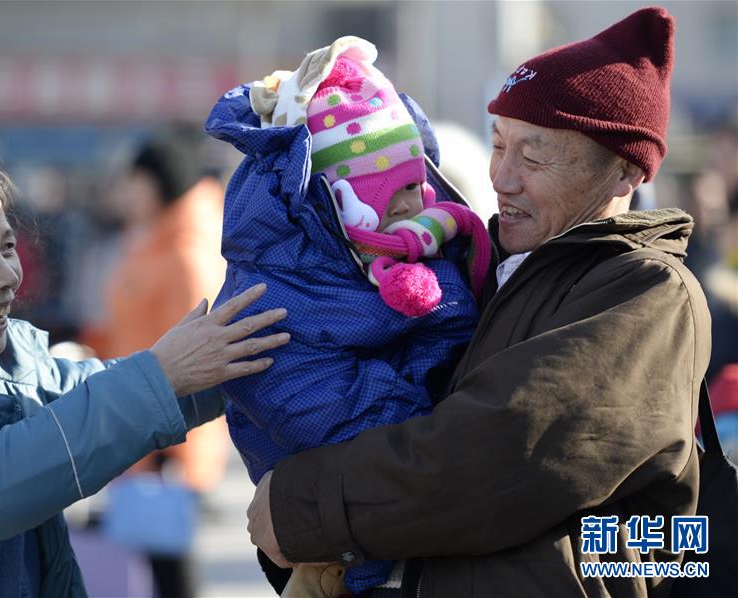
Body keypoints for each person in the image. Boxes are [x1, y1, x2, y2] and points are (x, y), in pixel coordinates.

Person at [245, 8, 713, 597]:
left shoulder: (647, 291)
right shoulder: (476, 264)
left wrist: (301, 508)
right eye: (499, 145)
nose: (501, 177)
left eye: (535, 156)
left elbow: (503, 450)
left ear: (623, 173)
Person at [0, 153, 290, 597]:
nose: (9, 276)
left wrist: (269, 350)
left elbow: (99, 390)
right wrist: (163, 375)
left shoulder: (2, 366)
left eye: (8, 247)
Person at [207, 37, 488, 595]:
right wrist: (443, 415)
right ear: (340, 201)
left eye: (418, 186)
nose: (416, 206)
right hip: (339, 558)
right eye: (395, 192)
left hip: (384, 521)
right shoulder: (276, 291)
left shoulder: (398, 256)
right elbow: (338, 415)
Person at [96, 128, 232, 598]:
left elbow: (194, 354)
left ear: (157, 183)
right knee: (160, 560)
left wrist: (167, 448)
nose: (124, 192)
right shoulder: (155, 241)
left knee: (170, 562)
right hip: (143, 419)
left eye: (132, 180)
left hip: (165, 435)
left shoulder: (182, 253)